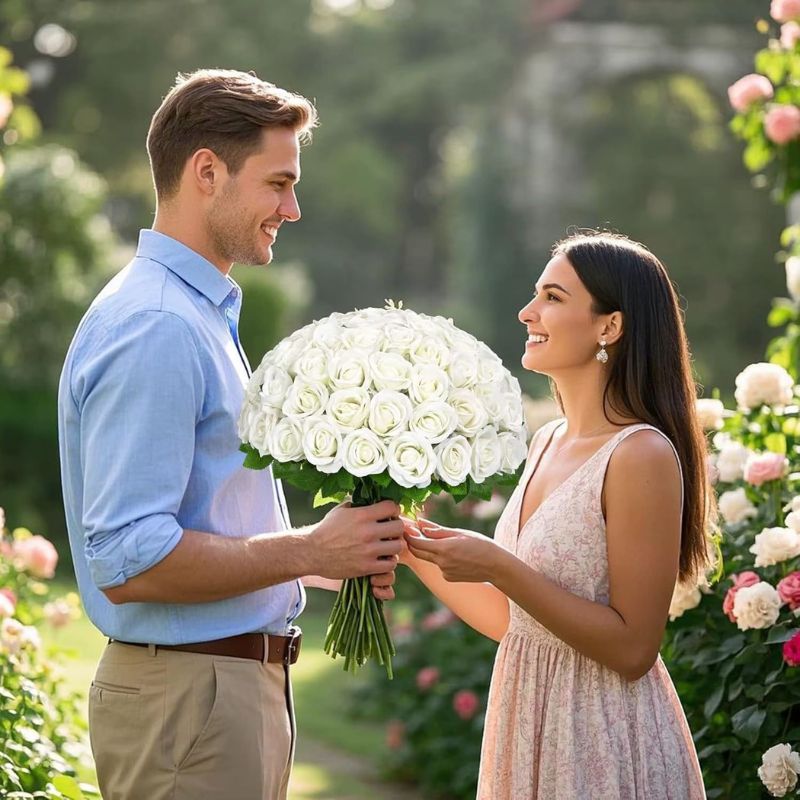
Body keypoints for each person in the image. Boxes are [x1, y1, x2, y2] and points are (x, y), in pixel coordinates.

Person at [57, 69, 403, 800]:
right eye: (278, 183)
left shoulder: (195, 314)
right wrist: (310, 547)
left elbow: (203, 519)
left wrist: (326, 560)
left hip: (215, 696)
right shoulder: (158, 326)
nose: (294, 208)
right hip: (191, 702)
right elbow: (129, 556)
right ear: (207, 172)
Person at [403, 230, 711, 799]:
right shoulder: (546, 441)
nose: (528, 312)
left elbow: (633, 649)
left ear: (609, 327)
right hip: (529, 721)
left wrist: (500, 564)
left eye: (552, 297)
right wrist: (407, 543)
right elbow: (513, 622)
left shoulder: (639, 453)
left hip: (601, 737)